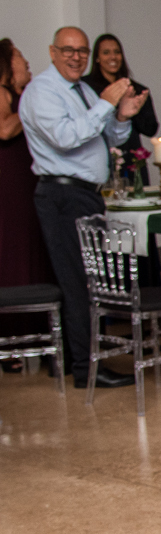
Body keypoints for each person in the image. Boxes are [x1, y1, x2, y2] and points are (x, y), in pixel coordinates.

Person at [20, 26, 148, 389]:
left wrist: (122, 115)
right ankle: (84, 369)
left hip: (87, 194)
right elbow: (65, 138)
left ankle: (90, 361)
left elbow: (108, 138)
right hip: (62, 196)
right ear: (52, 52)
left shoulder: (84, 90)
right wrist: (107, 103)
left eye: (81, 51)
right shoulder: (42, 92)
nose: (76, 57)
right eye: (68, 50)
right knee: (79, 284)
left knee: (93, 281)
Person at [0, 39, 54, 355]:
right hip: (10, 184)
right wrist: (29, 104)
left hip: (28, 179)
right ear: (6, 63)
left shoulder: (20, 95)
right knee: (14, 250)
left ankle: (36, 334)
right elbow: (4, 130)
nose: (26, 62)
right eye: (20, 56)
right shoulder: (5, 93)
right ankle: (12, 336)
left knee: (34, 249)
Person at [82, 33, 159, 182]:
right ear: (97, 58)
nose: (113, 57)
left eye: (117, 52)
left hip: (132, 159)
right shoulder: (86, 88)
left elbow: (151, 129)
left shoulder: (137, 89)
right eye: (106, 52)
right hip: (101, 158)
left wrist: (131, 109)